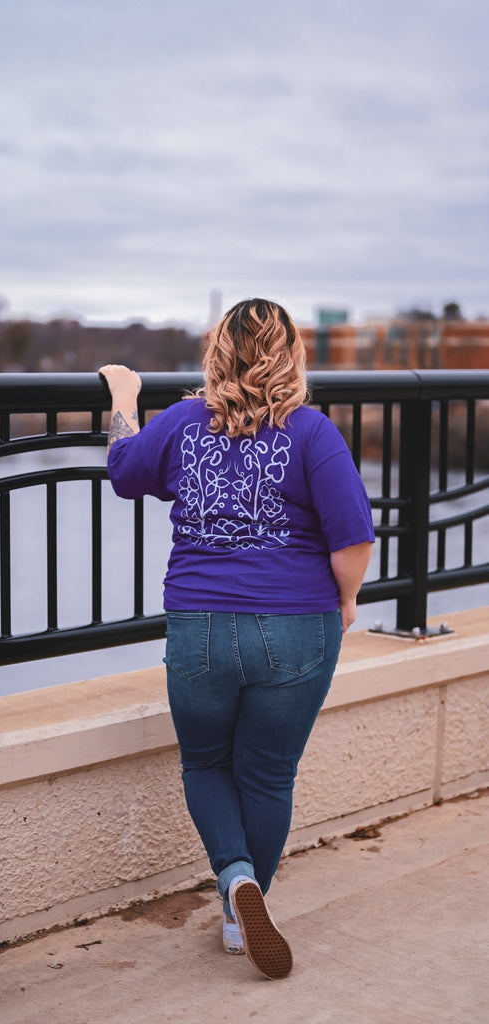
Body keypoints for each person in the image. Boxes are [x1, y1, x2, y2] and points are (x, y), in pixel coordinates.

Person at [98, 298, 374, 980]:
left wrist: (125, 398)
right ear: (292, 357)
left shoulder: (186, 423)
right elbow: (353, 539)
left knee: (205, 764)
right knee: (268, 772)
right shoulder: (312, 432)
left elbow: (124, 471)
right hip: (296, 626)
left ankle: (235, 878)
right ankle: (241, 914)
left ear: (217, 354)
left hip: (200, 627)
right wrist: (344, 603)